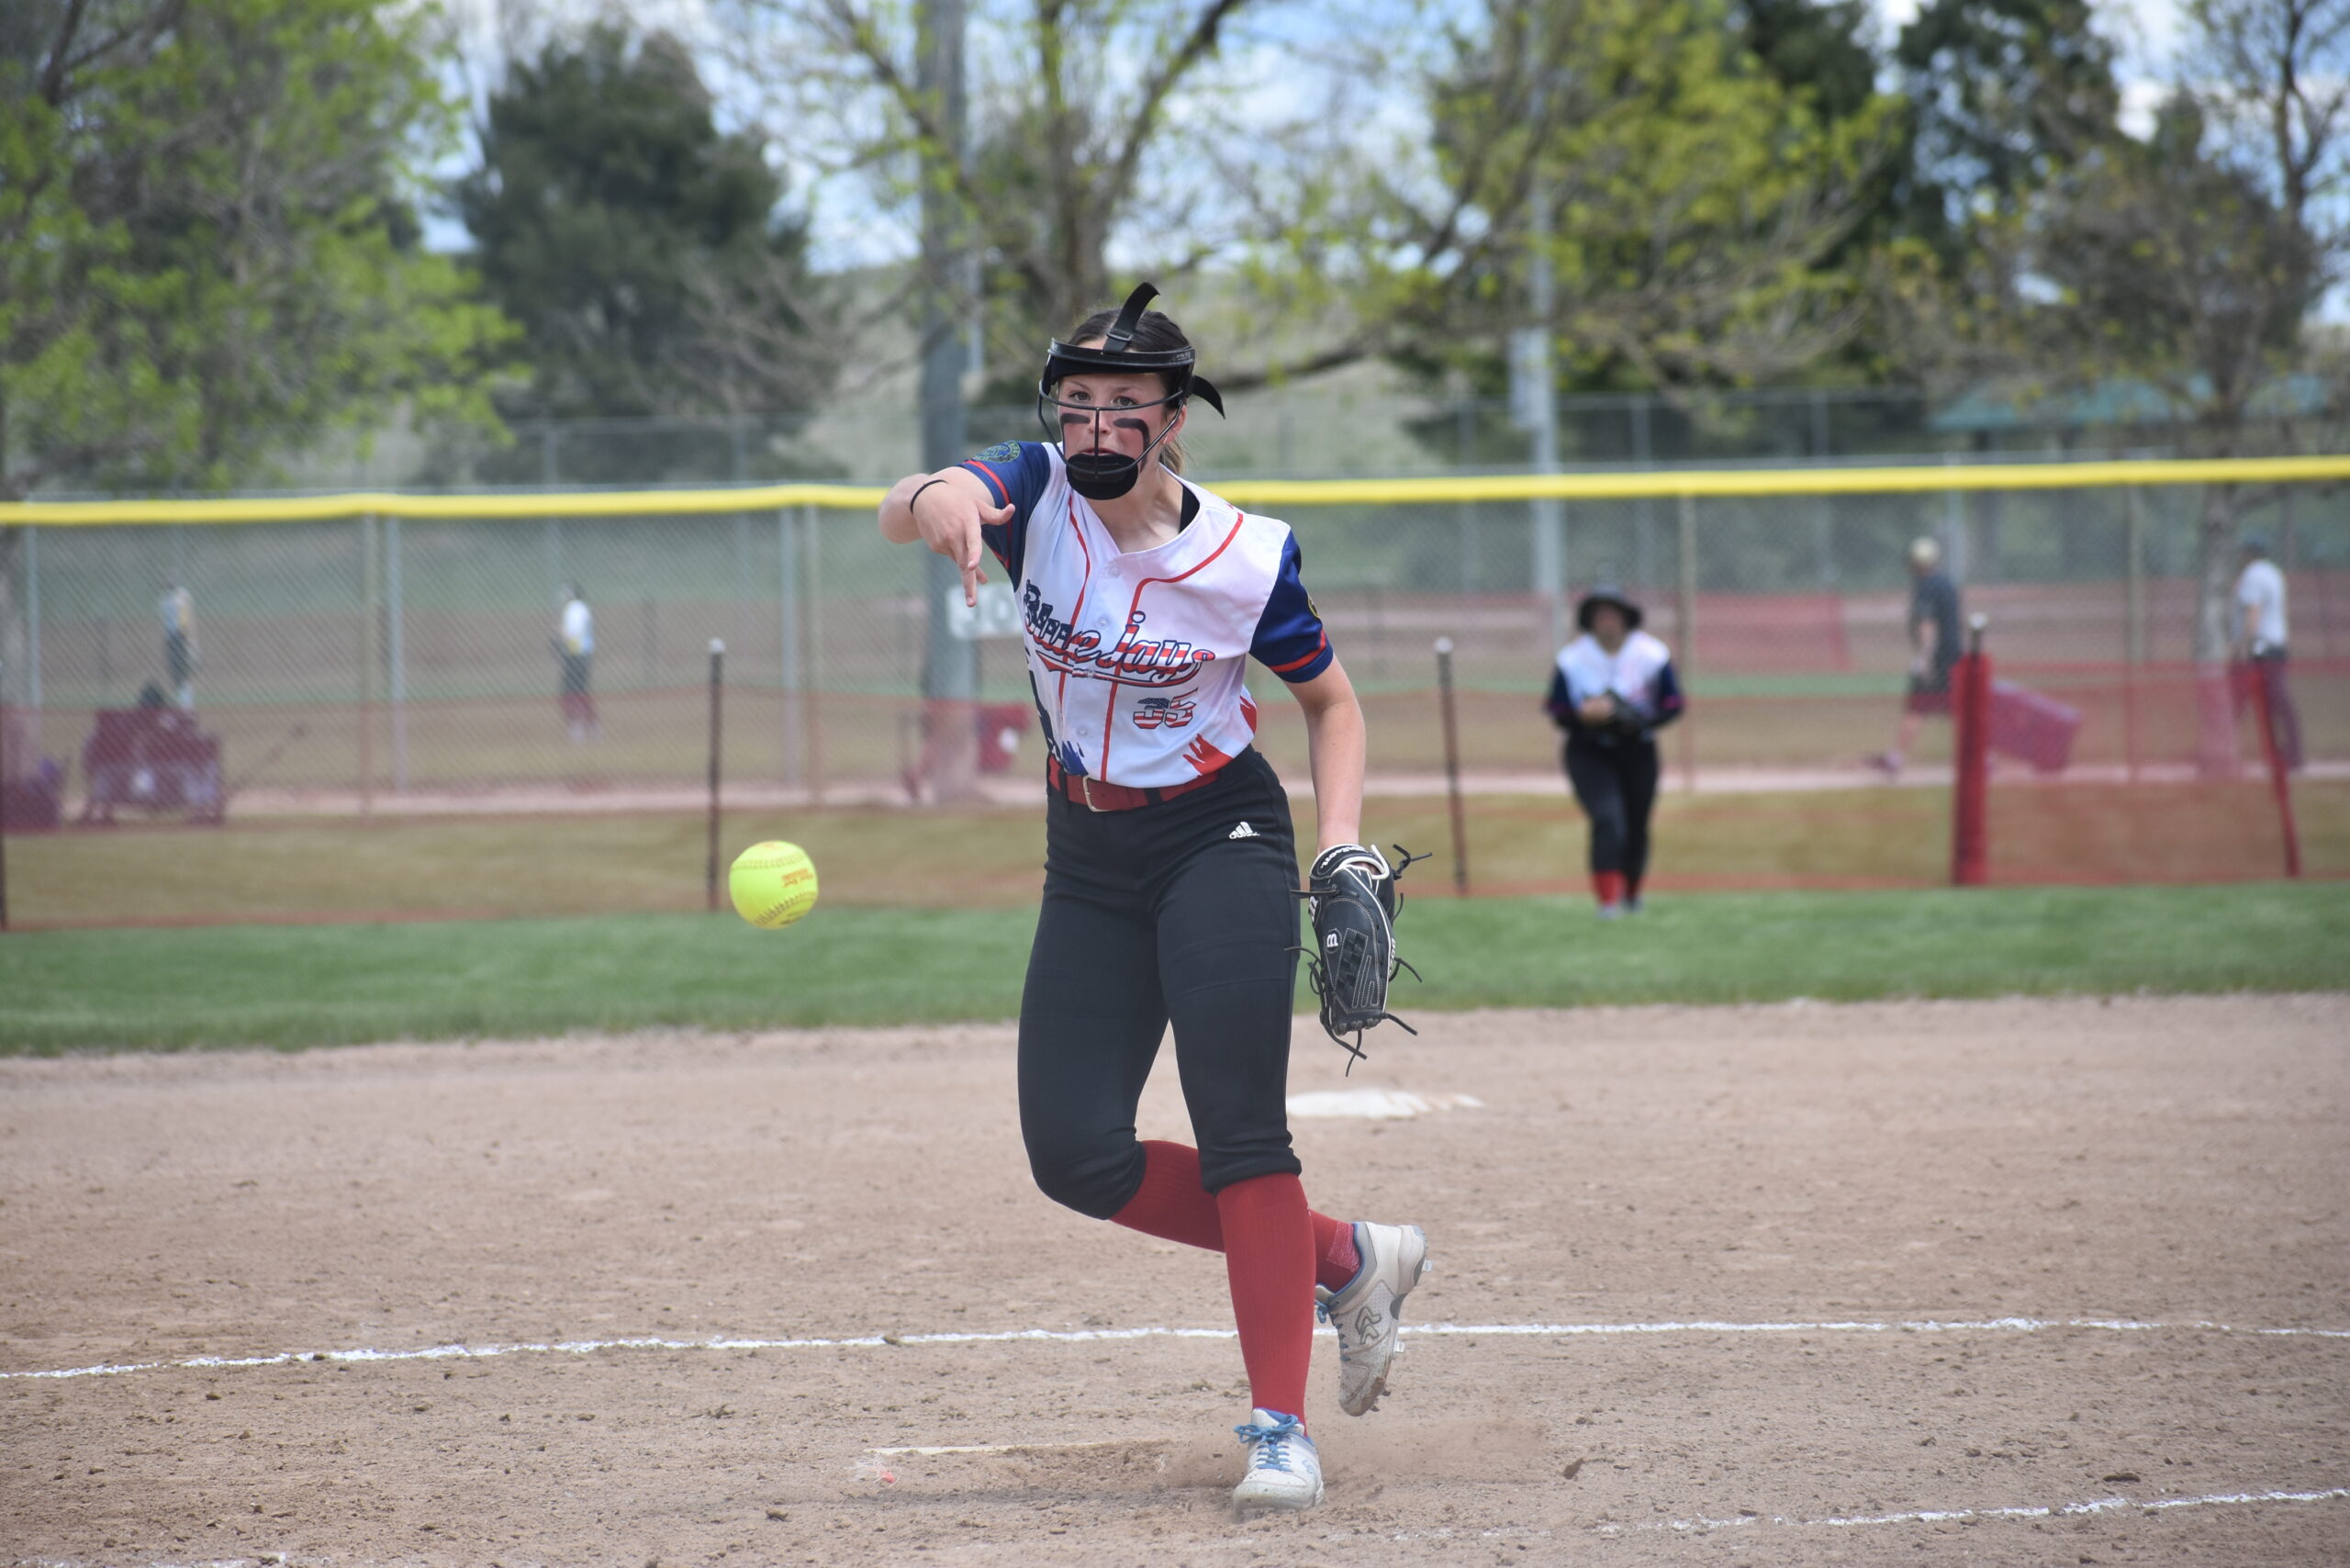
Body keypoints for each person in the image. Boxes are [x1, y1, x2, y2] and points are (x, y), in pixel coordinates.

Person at [877, 283, 1430, 1518]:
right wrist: (939, 496)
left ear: (1173, 421)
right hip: (1087, 851)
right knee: (1075, 1153)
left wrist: (1341, 850)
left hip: (1217, 832)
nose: (1093, 424)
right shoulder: (1032, 497)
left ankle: (1281, 1431)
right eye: (1075, 400)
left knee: (1241, 1131)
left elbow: (1331, 702)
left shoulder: (1245, 557)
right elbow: (912, 502)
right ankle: (1345, 1256)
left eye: (1123, 403)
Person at [1545, 586, 1683, 917]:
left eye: (1613, 614)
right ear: (1589, 620)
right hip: (1590, 750)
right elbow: (1557, 708)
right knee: (1608, 819)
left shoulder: (1650, 654)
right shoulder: (1574, 659)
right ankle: (1607, 902)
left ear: (1626, 618)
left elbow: (1673, 703)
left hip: (1637, 750)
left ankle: (1632, 895)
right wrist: (1583, 715)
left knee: (1636, 823)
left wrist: (1639, 720)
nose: (1607, 621)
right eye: (1600, 615)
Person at [1870, 536, 1963, 777]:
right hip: (1954, 654)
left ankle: (1895, 759)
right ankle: (1983, 758)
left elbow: (1927, 624)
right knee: (1960, 708)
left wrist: (1925, 658)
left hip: (1937, 658)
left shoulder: (1926, 587)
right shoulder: (1946, 583)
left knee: (1918, 706)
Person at [2232, 532, 2301, 771]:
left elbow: (2254, 612)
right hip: (2276, 647)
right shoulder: (2274, 573)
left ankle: (2226, 752)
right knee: (2276, 704)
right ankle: (2288, 754)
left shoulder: (2253, 575)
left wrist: (2244, 646)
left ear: (2248, 553)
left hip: (2260, 650)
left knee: (2237, 701)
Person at [555, 585, 597, 742]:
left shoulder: (575, 609)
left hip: (576, 655)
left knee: (571, 692)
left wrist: (560, 634)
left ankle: (578, 726)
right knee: (580, 691)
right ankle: (591, 726)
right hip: (581, 655)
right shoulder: (581, 608)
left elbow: (572, 633)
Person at [159, 580, 199, 711]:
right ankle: (185, 703)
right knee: (180, 673)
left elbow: (184, 621)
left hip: (177, 638)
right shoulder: (176, 599)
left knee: (181, 673)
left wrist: (188, 638)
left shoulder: (170, 600)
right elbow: (184, 620)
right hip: (177, 638)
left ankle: (185, 704)